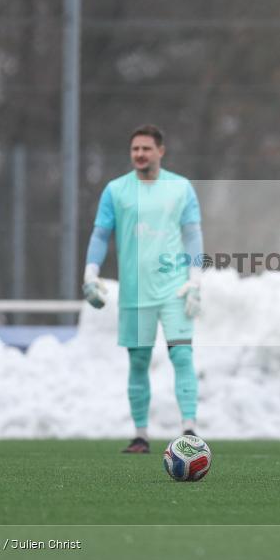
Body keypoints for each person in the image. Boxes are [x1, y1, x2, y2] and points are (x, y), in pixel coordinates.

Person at [83, 124, 204, 454]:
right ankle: (140, 436)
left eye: (146, 148)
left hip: (175, 289)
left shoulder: (180, 188)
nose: (140, 154)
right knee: (138, 362)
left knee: (182, 354)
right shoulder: (116, 190)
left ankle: (189, 429)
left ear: (160, 151)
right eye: (135, 149)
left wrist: (195, 281)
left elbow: (193, 234)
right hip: (135, 292)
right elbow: (100, 234)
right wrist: (90, 275)